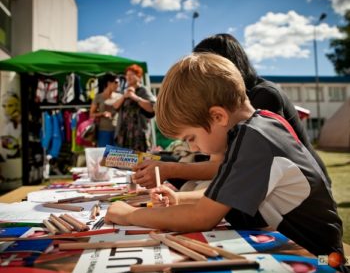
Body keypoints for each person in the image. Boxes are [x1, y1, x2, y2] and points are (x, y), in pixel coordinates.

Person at [105, 53, 344, 260]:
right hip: (310, 245)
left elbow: (202, 218)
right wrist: (179, 199)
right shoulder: (261, 125)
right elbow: (222, 194)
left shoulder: (255, 140)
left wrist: (130, 215)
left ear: (218, 116)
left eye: (191, 138)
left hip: (325, 257)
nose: (194, 149)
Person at [132, 33, 330, 189]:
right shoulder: (234, 106)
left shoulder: (263, 98)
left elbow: (234, 167)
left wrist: (169, 169)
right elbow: (223, 162)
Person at [113, 64, 156, 152]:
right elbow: (115, 106)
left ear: (139, 77)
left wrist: (134, 97)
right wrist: (124, 96)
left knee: (140, 162)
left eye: (131, 75)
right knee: (124, 163)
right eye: (127, 75)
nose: (128, 77)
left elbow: (152, 107)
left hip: (139, 133)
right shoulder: (125, 91)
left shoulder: (143, 90)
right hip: (124, 133)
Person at [90, 74, 119, 147]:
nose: (118, 84)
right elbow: (91, 114)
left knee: (117, 156)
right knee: (104, 155)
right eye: (116, 82)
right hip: (103, 131)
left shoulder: (120, 96)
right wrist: (102, 114)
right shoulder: (98, 97)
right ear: (109, 83)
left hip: (117, 131)